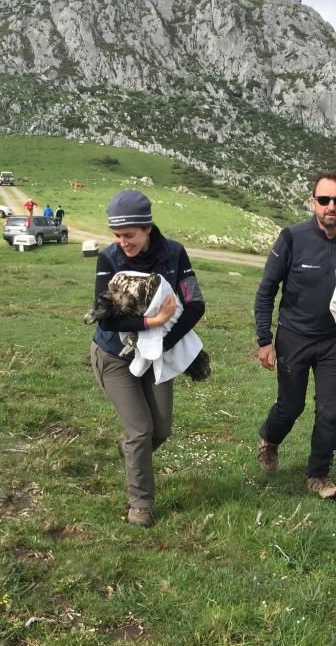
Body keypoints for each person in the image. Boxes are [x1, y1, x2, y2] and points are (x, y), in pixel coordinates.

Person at [254, 170, 336, 500]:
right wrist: (263, 340)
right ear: (313, 201)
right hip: (293, 337)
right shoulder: (292, 238)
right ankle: (269, 439)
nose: (331, 206)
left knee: (330, 411)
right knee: (290, 405)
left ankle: (319, 475)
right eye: (324, 200)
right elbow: (267, 290)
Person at [90, 190, 205, 527]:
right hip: (115, 355)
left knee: (162, 429)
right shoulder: (108, 259)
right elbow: (106, 318)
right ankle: (140, 504)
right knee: (141, 431)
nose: (123, 242)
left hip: (158, 356)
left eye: (129, 235)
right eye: (117, 235)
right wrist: (151, 323)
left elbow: (195, 304)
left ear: (147, 228)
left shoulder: (174, 254)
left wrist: (163, 342)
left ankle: (131, 455)